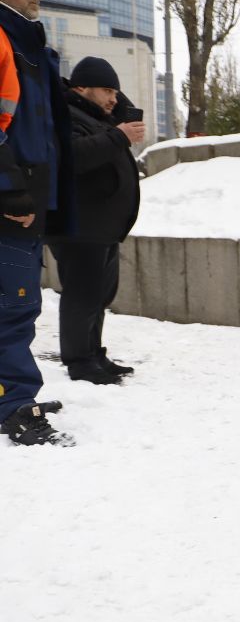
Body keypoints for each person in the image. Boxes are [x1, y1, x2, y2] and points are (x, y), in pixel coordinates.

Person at [0, 0, 75, 447]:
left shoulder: (25, 44)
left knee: (17, 303)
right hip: (12, 202)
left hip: (28, 198)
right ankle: (13, 404)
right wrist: (10, 192)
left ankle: (12, 391)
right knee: (13, 305)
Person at [46, 57, 144, 385]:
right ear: (81, 88)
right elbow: (74, 157)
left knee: (98, 296)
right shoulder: (67, 115)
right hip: (79, 227)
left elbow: (110, 121)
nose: (113, 98)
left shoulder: (96, 117)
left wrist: (113, 105)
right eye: (105, 90)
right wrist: (119, 135)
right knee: (81, 296)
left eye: (115, 91)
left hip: (101, 228)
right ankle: (79, 362)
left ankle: (93, 355)